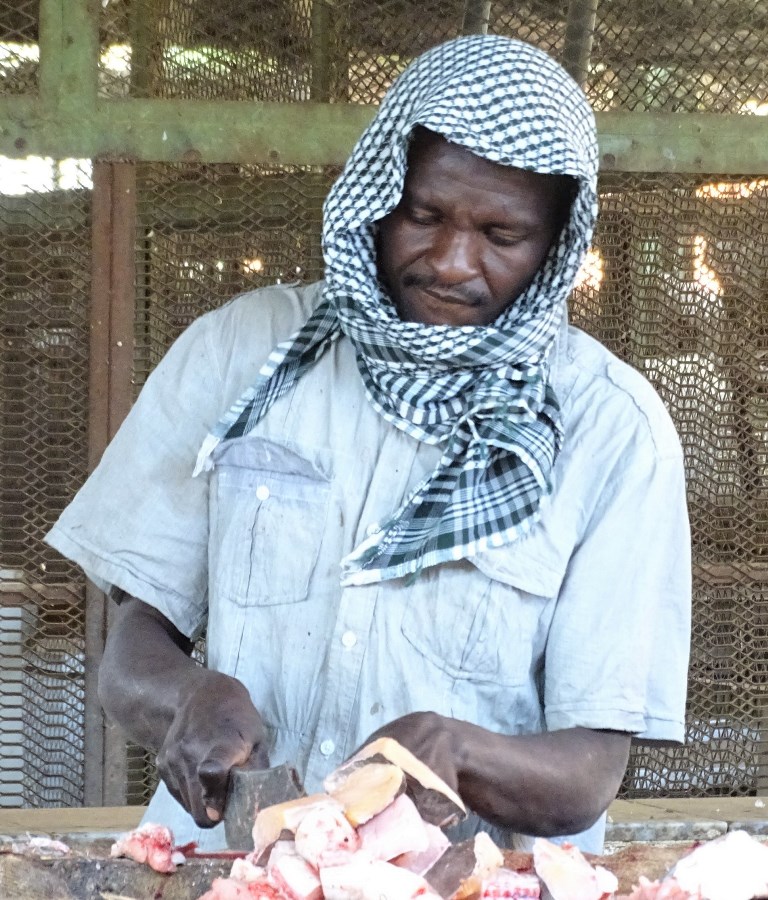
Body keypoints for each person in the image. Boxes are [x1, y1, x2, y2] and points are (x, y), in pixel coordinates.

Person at [46, 34, 691, 855]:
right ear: (378, 194)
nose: (453, 262)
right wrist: (186, 697)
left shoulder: (612, 433)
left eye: (502, 234)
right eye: (424, 215)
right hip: (233, 862)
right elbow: (135, 646)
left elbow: (590, 770)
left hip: (469, 877)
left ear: (557, 242)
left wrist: (460, 753)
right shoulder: (241, 355)